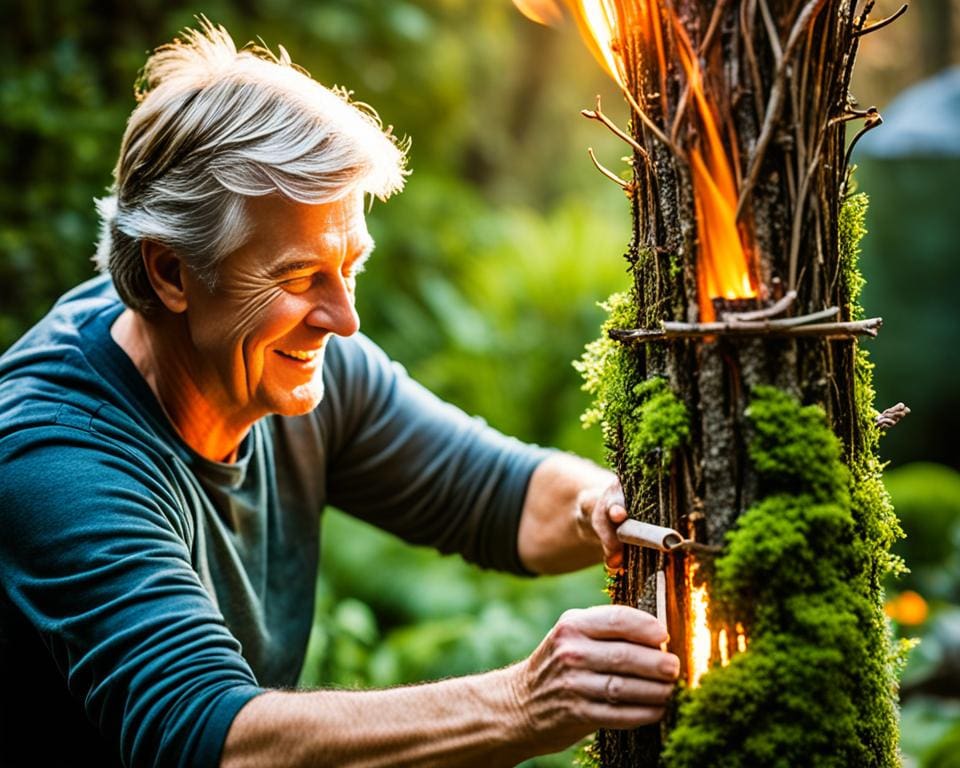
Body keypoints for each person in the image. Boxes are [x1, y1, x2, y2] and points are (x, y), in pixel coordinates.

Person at [0, 19, 679, 768]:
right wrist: (524, 701)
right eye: (298, 279)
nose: (345, 319)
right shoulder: (54, 456)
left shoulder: (288, 362)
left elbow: (499, 495)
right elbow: (211, 740)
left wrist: (606, 503)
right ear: (170, 273)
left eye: (349, 265)